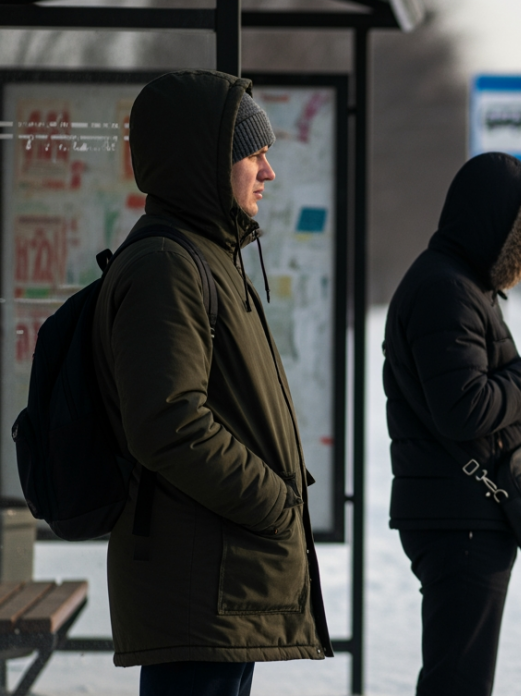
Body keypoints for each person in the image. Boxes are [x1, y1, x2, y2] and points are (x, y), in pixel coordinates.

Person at [92, 70, 331, 696]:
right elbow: (169, 423)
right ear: (205, 161)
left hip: (215, 576)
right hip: (200, 581)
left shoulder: (204, 255)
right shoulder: (169, 265)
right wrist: (274, 503)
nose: (268, 172)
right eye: (254, 153)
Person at [383, 152, 521, 696]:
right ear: (493, 223)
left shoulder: (458, 284)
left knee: (459, 675)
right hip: (459, 518)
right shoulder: (447, 290)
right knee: (458, 681)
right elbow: (466, 408)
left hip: (461, 511)